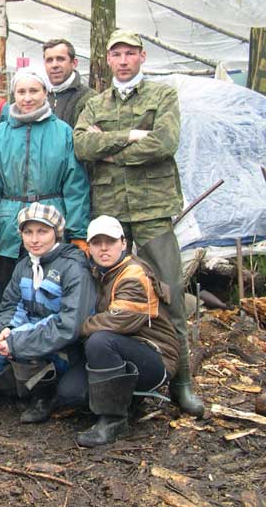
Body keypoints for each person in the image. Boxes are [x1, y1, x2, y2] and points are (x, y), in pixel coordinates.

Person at [73, 29, 204, 417]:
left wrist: (111, 151)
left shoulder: (162, 96)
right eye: (117, 54)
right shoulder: (95, 104)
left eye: (130, 53)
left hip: (151, 212)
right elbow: (82, 145)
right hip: (110, 213)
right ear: (108, 60)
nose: (124, 60)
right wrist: (130, 135)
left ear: (142, 56)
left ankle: (181, 382)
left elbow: (164, 143)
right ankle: (114, 379)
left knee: (169, 295)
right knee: (109, 297)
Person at [57, 215, 179, 446]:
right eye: (97, 243)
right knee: (70, 394)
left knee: (99, 340)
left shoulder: (134, 274)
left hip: (154, 355)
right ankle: (128, 399)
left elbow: (119, 321)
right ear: (89, 247)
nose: (104, 248)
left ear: (123, 243)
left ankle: (113, 419)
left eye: (110, 242)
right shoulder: (99, 272)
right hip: (122, 352)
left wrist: (76, 327)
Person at [0, 66, 90, 290]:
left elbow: (75, 185)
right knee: (9, 289)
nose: (27, 98)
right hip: (9, 228)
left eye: (34, 91)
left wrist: (78, 232)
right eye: (21, 92)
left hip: (52, 223)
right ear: (13, 94)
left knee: (50, 290)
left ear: (45, 92)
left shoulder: (63, 132)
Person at [0, 204, 96, 423]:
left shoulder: (73, 268)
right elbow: (10, 306)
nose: (34, 239)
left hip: (64, 347)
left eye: (42, 232)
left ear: (56, 233)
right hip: (28, 335)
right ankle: (27, 392)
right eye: (28, 232)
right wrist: (7, 329)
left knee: (70, 391)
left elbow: (69, 326)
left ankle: (46, 394)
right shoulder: (23, 265)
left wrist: (18, 341)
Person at [42, 39, 96, 128]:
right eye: (49, 60)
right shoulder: (37, 98)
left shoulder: (90, 99)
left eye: (60, 59)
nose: (54, 65)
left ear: (74, 63)